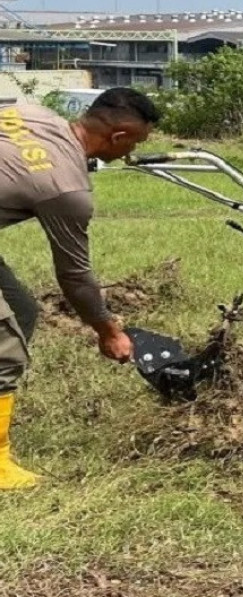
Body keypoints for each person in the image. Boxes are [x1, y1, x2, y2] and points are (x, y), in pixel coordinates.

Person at [0, 87, 159, 489]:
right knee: (4, 343)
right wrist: (108, 330)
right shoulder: (66, 189)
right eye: (133, 145)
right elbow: (74, 276)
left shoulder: (32, 113)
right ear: (118, 137)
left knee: (20, 312)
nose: (130, 154)